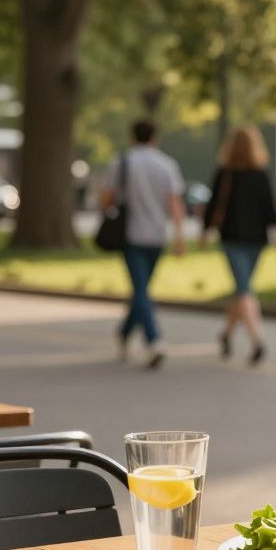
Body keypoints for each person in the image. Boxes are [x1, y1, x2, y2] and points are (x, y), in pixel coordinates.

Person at [102, 119, 186, 369]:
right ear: (154, 138)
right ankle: (153, 339)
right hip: (157, 236)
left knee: (141, 291)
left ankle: (125, 332)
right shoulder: (166, 165)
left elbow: (106, 198)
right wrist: (179, 236)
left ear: (132, 137)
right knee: (142, 290)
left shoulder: (121, 163)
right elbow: (175, 203)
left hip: (131, 235)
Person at [199, 126, 276, 365]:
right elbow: (270, 209)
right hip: (245, 240)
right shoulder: (250, 174)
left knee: (242, 290)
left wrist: (205, 231)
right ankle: (257, 340)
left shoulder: (233, 173)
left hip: (239, 238)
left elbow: (213, 206)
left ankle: (226, 334)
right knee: (245, 289)